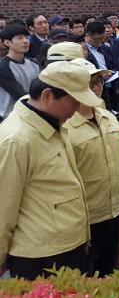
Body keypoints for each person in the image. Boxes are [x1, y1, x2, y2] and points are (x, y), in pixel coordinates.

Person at [0, 61, 102, 279]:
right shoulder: (16, 139)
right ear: (47, 96)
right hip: (42, 254)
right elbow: (3, 206)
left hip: (70, 244)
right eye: (74, 102)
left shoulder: (53, 123)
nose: (77, 111)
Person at [62, 59, 119, 276]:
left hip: (112, 214)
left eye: (99, 82)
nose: (96, 87)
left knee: (108, 273)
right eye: (90, 82)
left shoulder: (108, 117)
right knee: (84, 279)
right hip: (84, 221)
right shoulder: (65, 125)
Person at [0, 25, 41, 121]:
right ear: (7, 42)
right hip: (9, 117)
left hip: (32, 114)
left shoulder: (34, 64)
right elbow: (18, 94)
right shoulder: (3, 67)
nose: (26, 41)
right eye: (19, 38)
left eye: (27, 37)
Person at [84, 21, 119, 111]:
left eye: (102, 39)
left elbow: (114, 64)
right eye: (97, 39)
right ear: (88, 35)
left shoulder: (105, 48)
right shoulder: (83, 51)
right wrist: (99, 75)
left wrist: (112, 73)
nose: (100, 42)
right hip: (93, 89)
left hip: (110, 87)